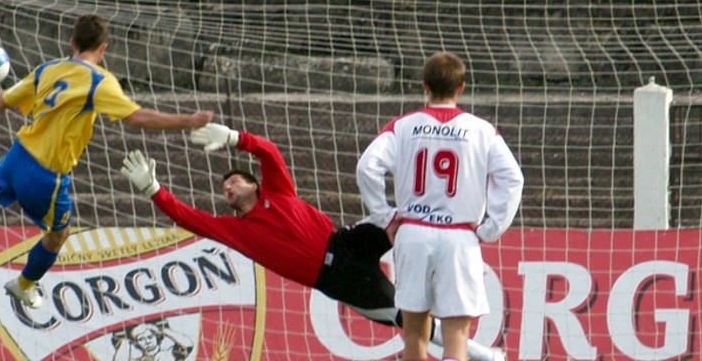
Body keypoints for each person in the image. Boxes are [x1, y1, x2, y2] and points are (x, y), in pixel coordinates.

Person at [120, 123, 505, 361]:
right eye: (224, 189)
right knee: (405, 319)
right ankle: (480, 355)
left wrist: (237, 139)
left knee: (405, 219)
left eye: (234, 181)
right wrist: (154, 189)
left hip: (347, 242)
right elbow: (190, 218)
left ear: (253, 183)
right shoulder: (236, 230)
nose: (228, 188)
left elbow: (268, 151)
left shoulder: (279, 191)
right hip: (337, 278)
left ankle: (458, 228)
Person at [0, 14, 213, 309]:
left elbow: (0, 102)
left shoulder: (48, 69)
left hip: (17, 155)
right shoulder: (99, 81)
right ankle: (23, 284)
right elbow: (137, 117)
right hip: (47, 174)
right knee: (60, 234)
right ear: (104, 49)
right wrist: (188, 120)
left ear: (72, 43)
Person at [356, 51, 524, 361]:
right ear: (461, 87)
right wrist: (491, 227)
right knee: (456, 338)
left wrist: (386, 216)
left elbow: (367, 167)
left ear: (425, 86)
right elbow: (513, 179)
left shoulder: (403, 126)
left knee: (415, 335)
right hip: (460, 237)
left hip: (413, 234)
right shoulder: (482, 130)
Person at [113, 322, 194, 361]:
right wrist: (125, 343)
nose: (147, 342)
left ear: (156, 337)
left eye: (150, 337)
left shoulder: (170, 354)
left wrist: (165, 331)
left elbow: (188, 345)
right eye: (141, 339)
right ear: (137, 343)